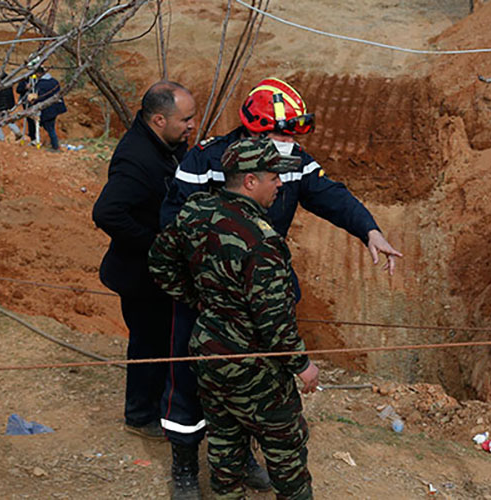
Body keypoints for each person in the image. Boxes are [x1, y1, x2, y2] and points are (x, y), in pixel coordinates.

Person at [158, 77, 402, 496]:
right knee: (191, 376)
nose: (290, 143)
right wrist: (198, 293)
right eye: (282, 133)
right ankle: (183, 463)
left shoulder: (291, 160)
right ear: (255, 130)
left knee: (264, 379)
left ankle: (246, 457)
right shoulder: (205, 161)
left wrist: (369, 230)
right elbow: (171, 233)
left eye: (293, 135)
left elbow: (328, 193)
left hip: (265, 289)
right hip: (210, 300)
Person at [149, 137, 321, 500]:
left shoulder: (196, 212)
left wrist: (202, 301)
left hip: (209, 354)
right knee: (286, 453)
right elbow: (274, 321)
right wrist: (301, 364)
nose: (280, 184)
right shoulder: (262, 241)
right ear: (249, 181)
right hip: (254, 367)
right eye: (274, 177)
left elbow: (160, 262)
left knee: (224, 446)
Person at [91, 81, 196, 441]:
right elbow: (107, 212)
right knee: (148, 345)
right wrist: (155, 245)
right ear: (158, 119)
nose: (191, 126)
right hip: (140, 275)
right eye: (185, 119)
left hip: (161, 274)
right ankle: (140, 415)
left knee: (163, 343)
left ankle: (162, 407)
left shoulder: (168, 146)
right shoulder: (136, 159)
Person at [16, 62, 66, 151]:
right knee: (50, 127)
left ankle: (55, 147)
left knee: (49, 128)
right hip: (55, 107)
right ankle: (52, 144)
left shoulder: (41, 84)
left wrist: (32, 100)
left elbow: (41, 97)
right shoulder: (54, 81)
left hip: (48, 109)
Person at [0, 63, 24, 142]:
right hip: (8, 103)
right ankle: (17, 131)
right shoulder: (7, 77)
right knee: (7, 119)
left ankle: (1, 139)